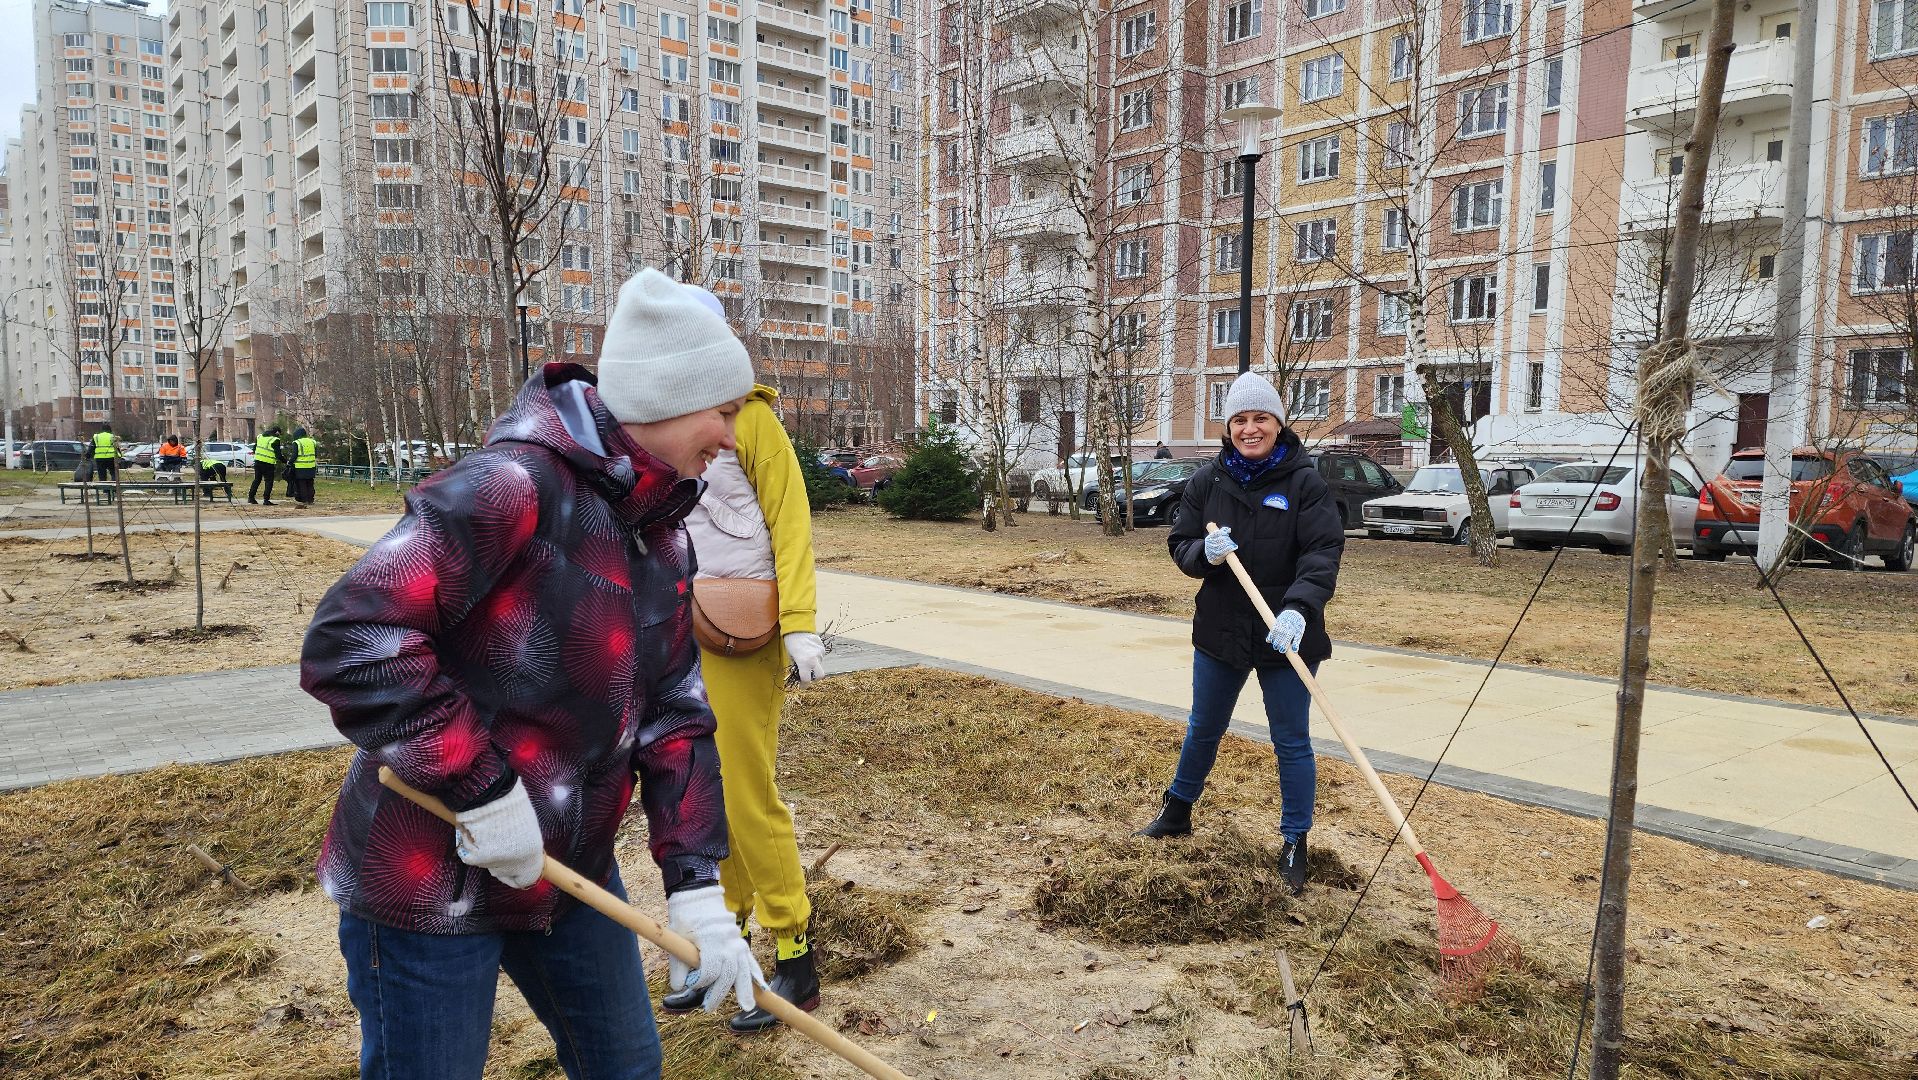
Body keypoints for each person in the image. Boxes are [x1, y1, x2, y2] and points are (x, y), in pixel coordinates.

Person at [300, 267, 762, 1079]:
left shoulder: (661, 532)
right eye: (724, 411)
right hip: (428, 871)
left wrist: (696, 887)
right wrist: (478, 790)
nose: (731, 437)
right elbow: (356, 637)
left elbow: (674, 713)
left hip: (570, 869)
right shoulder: (509, 488)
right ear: (665, 396)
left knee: (625, 1069)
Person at [666, 284, 827, 1034]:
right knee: (704, 787)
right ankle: (725, 942)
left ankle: (795, 952)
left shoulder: (753, 417)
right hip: (678, 621)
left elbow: (790, 517)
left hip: (745, 631)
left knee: (746, 793)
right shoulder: (666, 423)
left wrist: (799, 623)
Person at [1137, 370, 1346, 896]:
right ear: (1228, 426)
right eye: (1240, 420)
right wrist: (1201, 555)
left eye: (1260, 419)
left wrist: (1299, 609)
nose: (1250, 429)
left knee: (1291, 740)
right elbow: (1180, 544)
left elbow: (1322, 553)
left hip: (1286, 634)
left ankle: (1295, 840)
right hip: (1221, 629)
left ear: (1278, 423)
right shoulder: (1207, 481)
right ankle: (1177, 810)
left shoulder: (1305, 482)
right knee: (1203, 727)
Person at [249, 426, 281, 505]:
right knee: (269, 482)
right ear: (277, 432)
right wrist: (285, 461)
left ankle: (251, 498)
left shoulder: (260, 437)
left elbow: (254, 448)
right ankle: (266, 500)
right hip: (268, 464)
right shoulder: (275, 440)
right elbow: (278, 455)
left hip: (258, 462)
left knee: (257, 480)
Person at [287, 426, 319, 507]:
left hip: (300, 467)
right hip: (311, 466)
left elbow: (294, 455)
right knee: (310, 483)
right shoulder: (313, 442)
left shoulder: (297, 442)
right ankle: (311, 499)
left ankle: (305, 500)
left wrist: (289, 463)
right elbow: (315, 454)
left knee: (302, 484)